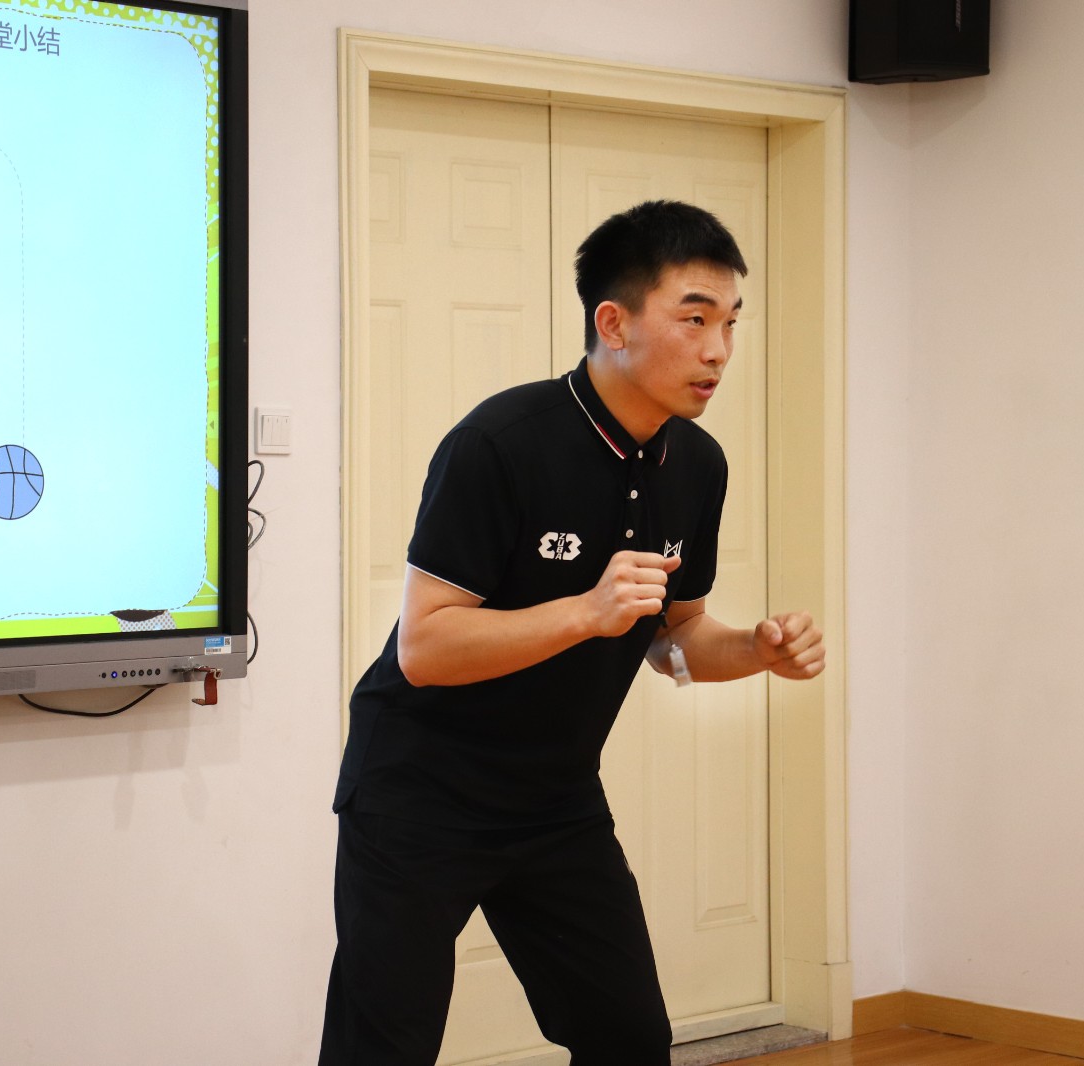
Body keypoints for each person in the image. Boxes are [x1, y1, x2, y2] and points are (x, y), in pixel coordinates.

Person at [320, 200, 825, 1065]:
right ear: (614, 323)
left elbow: (674, 634)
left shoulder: (697, 464)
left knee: (628, 1040)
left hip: (555, 799)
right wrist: (586, 612)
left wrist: (755, 651)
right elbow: (424, 648)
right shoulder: (500, 443)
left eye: (731, 324)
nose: (718, 350)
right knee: (383, 1048)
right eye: (695, 319)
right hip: (419, 793)